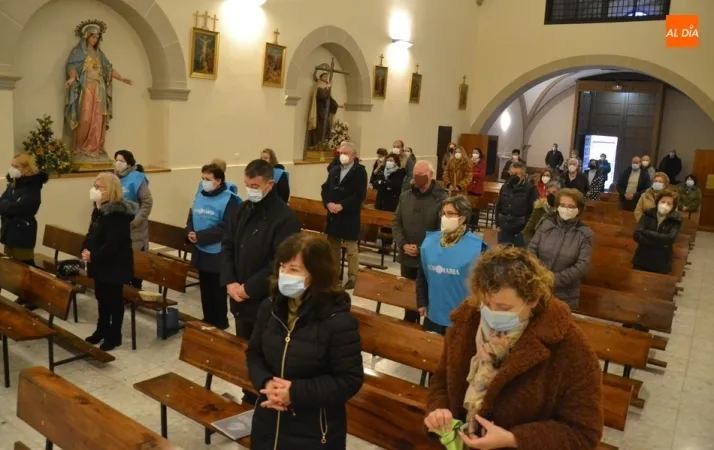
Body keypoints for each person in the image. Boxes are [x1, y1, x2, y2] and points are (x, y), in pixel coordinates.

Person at [424, 246, 603, 449]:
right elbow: (441, 379)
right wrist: (439, 410)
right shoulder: (466, 323)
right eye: (486, 304)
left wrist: (514, 439)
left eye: (504, 308)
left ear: (532, 300)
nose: (492, 315)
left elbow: (584, 434)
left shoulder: (569, 346)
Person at [247, 233, 364, 450]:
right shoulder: (270, 308)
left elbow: (349, 379)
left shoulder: (337, 321)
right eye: (282, 267)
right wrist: (266, 383)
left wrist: (295, 392)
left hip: (314, 431)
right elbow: (254, 354)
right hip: (268, 421)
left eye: (294, 270)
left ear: (316, 274)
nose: (284, 274)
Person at [221, 159, 301, 384]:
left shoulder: (285, 218)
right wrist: (230, 282)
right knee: (245, 353)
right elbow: (227, 245)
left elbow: (280, 262)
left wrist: (249, 288)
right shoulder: (243, 209)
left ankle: (262, 395)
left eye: (255, 186)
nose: (250, 190)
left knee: (265, 358)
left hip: (266, 301)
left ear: (270, 185)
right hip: (239, 297)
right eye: (247, 185)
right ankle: (247, 393)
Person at [81, 173, 136, 351]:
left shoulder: (117, 214)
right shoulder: (99, 209)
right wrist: (85, 248)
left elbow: (113, 244)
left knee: (114, 300)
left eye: (99, 187)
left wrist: (93, 256)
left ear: (110, 190)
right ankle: (102, 329)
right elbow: (92, 233)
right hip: (100, 262)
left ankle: (115, 334)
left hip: (114, 263)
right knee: (101, 297)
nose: (95, 190)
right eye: (94, 186)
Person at [416, 195, 486, 335]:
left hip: (462, 318)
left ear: (462, 218)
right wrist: (422, 301)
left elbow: (483, 286)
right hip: (434, 313)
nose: (444, 217)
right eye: (443, 213)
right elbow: (422, 276)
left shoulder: (478, 247)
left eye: (450, 214)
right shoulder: (430, 243)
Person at [186, 164, 241, 330]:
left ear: (218, 181)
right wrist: (190, 231)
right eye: (202, 178)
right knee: (205, 287)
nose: (204, 182)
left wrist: (201, 236)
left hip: (218, 251)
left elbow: (227, 227)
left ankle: (220, 323)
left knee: (217, 290)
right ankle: (208, 319)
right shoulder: (201, 194)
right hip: (201, 249)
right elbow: (192, 215)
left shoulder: (229, 200)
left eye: (207, 179)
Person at [392, 161, 447, 323]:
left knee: (427, 299)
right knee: (409, 298)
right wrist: (403, 244)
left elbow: (442, 231)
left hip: (429, 259)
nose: (417, 178)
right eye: (415, 175)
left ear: (431, 175)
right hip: (407, 255)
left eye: (421, 175)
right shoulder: (406, 196)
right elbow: (396, 222)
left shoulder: (441, 199)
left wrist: (422, 248)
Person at [528, 188, 593, 310]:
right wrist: (540, 274)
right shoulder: (546, 225)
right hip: (538, 287)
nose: (566, 209)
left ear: (579, 209)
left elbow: (582, 266)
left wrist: (553, 279)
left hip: (565, 295)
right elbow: (531, 250)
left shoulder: (584, 234)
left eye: (571, 206)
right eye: (562, 205)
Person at [321, 142, 368, 290]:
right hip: (333, 214)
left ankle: (352, 276)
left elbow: (359, 195)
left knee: (351, 248)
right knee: (333, 246)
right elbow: (325, 189)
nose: (342, 156)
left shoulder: (359, 171)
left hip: (349, 214)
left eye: (346, 153)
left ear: (353, 156)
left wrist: (342, 205)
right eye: (341, 153)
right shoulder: (334, 170)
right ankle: (335, 275)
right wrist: (328, 203)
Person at [0, 153, 48, 267]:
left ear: (26, 168)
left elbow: (19, 207)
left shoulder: (32, 186)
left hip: (22, 233)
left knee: (23, 267)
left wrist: (7, 206)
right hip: (9, 231)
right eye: (12, 165)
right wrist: (7, 205)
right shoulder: (14, 183)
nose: (12, 169)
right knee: (9, 266)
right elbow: (3, 201)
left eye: (16, 166)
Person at [114, 149, 152, 289]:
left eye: (121, 161)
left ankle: (135, 289)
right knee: (120, 263)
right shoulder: (113, 178)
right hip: (118, 226)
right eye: (116, 160)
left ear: (129, 163)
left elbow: (147, 203)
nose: (118, 163)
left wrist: (135, 221)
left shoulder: (138, 178)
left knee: (134, 262)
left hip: (135, 227)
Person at [633, 189, 682, 274]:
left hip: (661, 262)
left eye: (669, 203)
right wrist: (659, 243)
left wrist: (647, 232)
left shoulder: (675, 219)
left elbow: (670, 238)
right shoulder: (648, 213)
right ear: (658, 201)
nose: (665, 205)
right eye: (663, 202)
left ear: (673, 207)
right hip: (641, 259)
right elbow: (637, 235)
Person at [495, 162, 538, 247]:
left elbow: (533, 210)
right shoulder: (505, 187)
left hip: (520, 230)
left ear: (523, 175)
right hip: (504, 228)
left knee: (519, 254)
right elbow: (498, 206)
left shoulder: (530, 189)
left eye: (516, 174)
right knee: (503, 253)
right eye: (511, 173)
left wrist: (527, 229)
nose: (513, 176)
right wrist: (497, 224)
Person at [372, 153, 406, 251]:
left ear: (396, 162)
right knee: (382, 223)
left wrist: (383, 183)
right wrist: (384, 184)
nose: (389, 162)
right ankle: (383, 244)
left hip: (392, 201)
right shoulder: (383, 171)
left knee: (389, 223)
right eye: (388, 160)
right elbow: (375, 183)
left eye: (391, 160)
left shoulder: (399, 172)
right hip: (381, 199)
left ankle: (387, 244)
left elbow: (395, 185)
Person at [523, 180, 560, 244]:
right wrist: (532, 243)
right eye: (548, 192)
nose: (551, 195)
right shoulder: (539, 208)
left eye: (554, 192)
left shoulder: (562, 211)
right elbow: (527, 230)